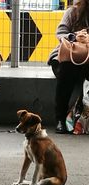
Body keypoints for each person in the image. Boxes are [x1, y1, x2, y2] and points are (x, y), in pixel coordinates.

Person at [48, 0, 89, 134]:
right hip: (67, 56)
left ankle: (81, 116)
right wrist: (75, 36)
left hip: (87, 59)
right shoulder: (73, 11)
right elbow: (60, 32)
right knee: (67, 71)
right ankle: (60, 119)